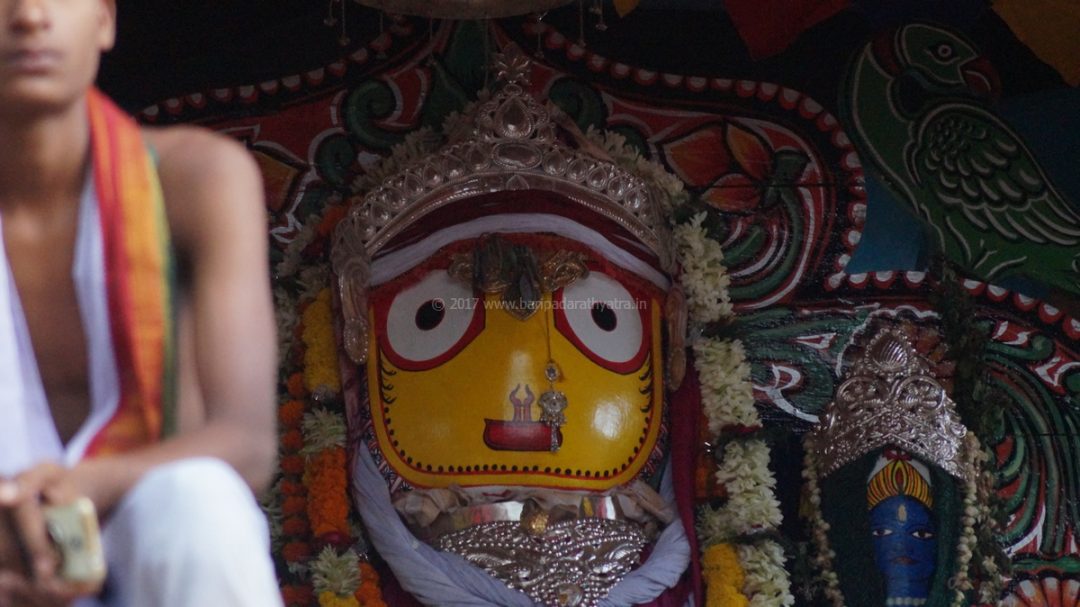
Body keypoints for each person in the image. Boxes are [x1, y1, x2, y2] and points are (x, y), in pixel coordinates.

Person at [0, 0, 283, 605]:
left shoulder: (196, 179)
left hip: (150, 543)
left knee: (200, 504)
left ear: (105, 20)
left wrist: (77, 490)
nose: (28, 16)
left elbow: (247, 443)